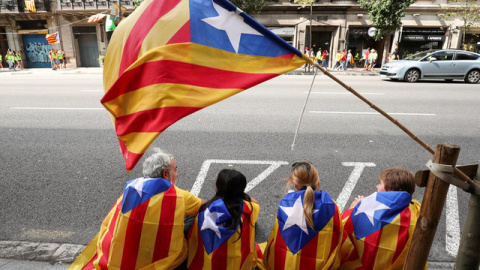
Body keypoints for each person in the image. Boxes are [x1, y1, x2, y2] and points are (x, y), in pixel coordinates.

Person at [70, 149, 205, 270]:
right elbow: (205, 205)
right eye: (175, 169)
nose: (177, 174)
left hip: (123, 259)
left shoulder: (131, 188)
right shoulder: (179, 196)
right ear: (165, 174)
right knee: (194, 216)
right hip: (165, 261)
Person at [257, 161, 343, 270]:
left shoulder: (286, 203)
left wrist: (290, 198)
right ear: (316, 182)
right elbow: (338, 234)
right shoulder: (330, 205)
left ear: (294, 184)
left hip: (285, 264)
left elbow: (277, 237)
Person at [339, 167, 422, 270]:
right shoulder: (417, 212)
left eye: (380, 183)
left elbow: (342, 227)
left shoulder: (364, 209)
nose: (377, 186)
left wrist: (355, 207)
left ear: (390, 190)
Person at [187, 169, 260, 270]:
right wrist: (242, 195)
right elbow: (256, 203)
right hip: (239, 263)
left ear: (217, 187)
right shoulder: (250, 209)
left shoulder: (205, 211)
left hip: (209, 264)